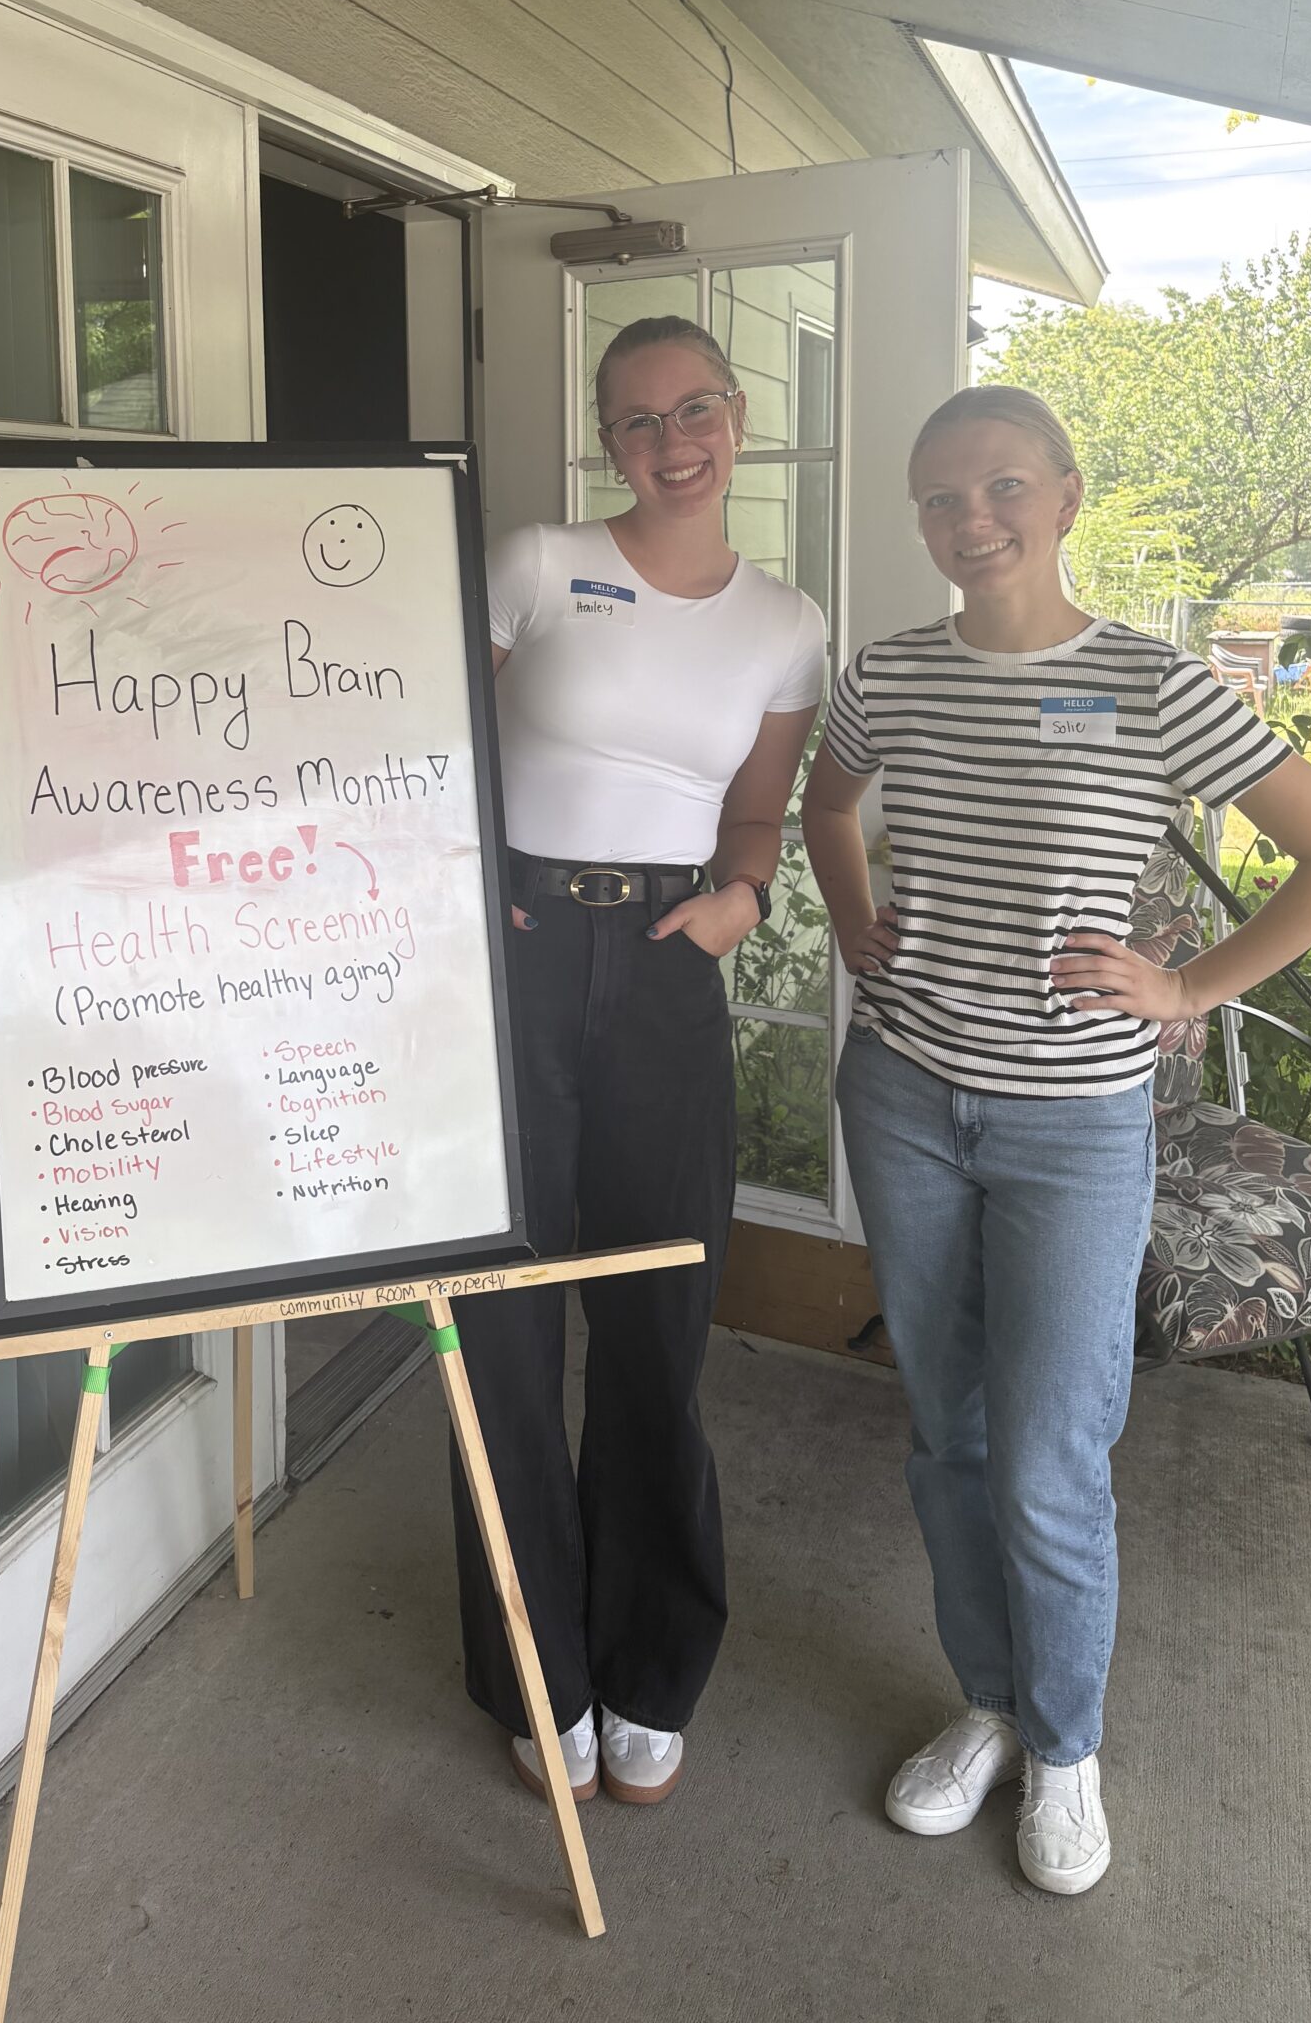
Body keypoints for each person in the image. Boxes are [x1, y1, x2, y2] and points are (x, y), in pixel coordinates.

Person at [801, 384, 1311, 1895]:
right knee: (950, 1438)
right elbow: (828, 803)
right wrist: (861, 922)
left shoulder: (1151, 684)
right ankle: (988, 1707)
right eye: (941, 500)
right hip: (907, 1096)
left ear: (1062, 496)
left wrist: (1191, 984)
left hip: (1074, 1125)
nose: (971, 521)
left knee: (1051, 1459)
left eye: (1000, 488)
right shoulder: (892, 674)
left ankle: (1067, 1750)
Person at [454, 313, 825, 1806]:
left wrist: (739, 901)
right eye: (635, 421)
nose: (671, 444)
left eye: (695, 411)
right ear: (604, 440)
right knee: (506, 1325)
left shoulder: (787, 624)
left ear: (739, 417)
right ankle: (537, 1674)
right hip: (516, 955)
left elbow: (757, 817)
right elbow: (421, 737)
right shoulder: (537, 563)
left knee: (660, 1323)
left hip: (670, 965)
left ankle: (652, 1662)